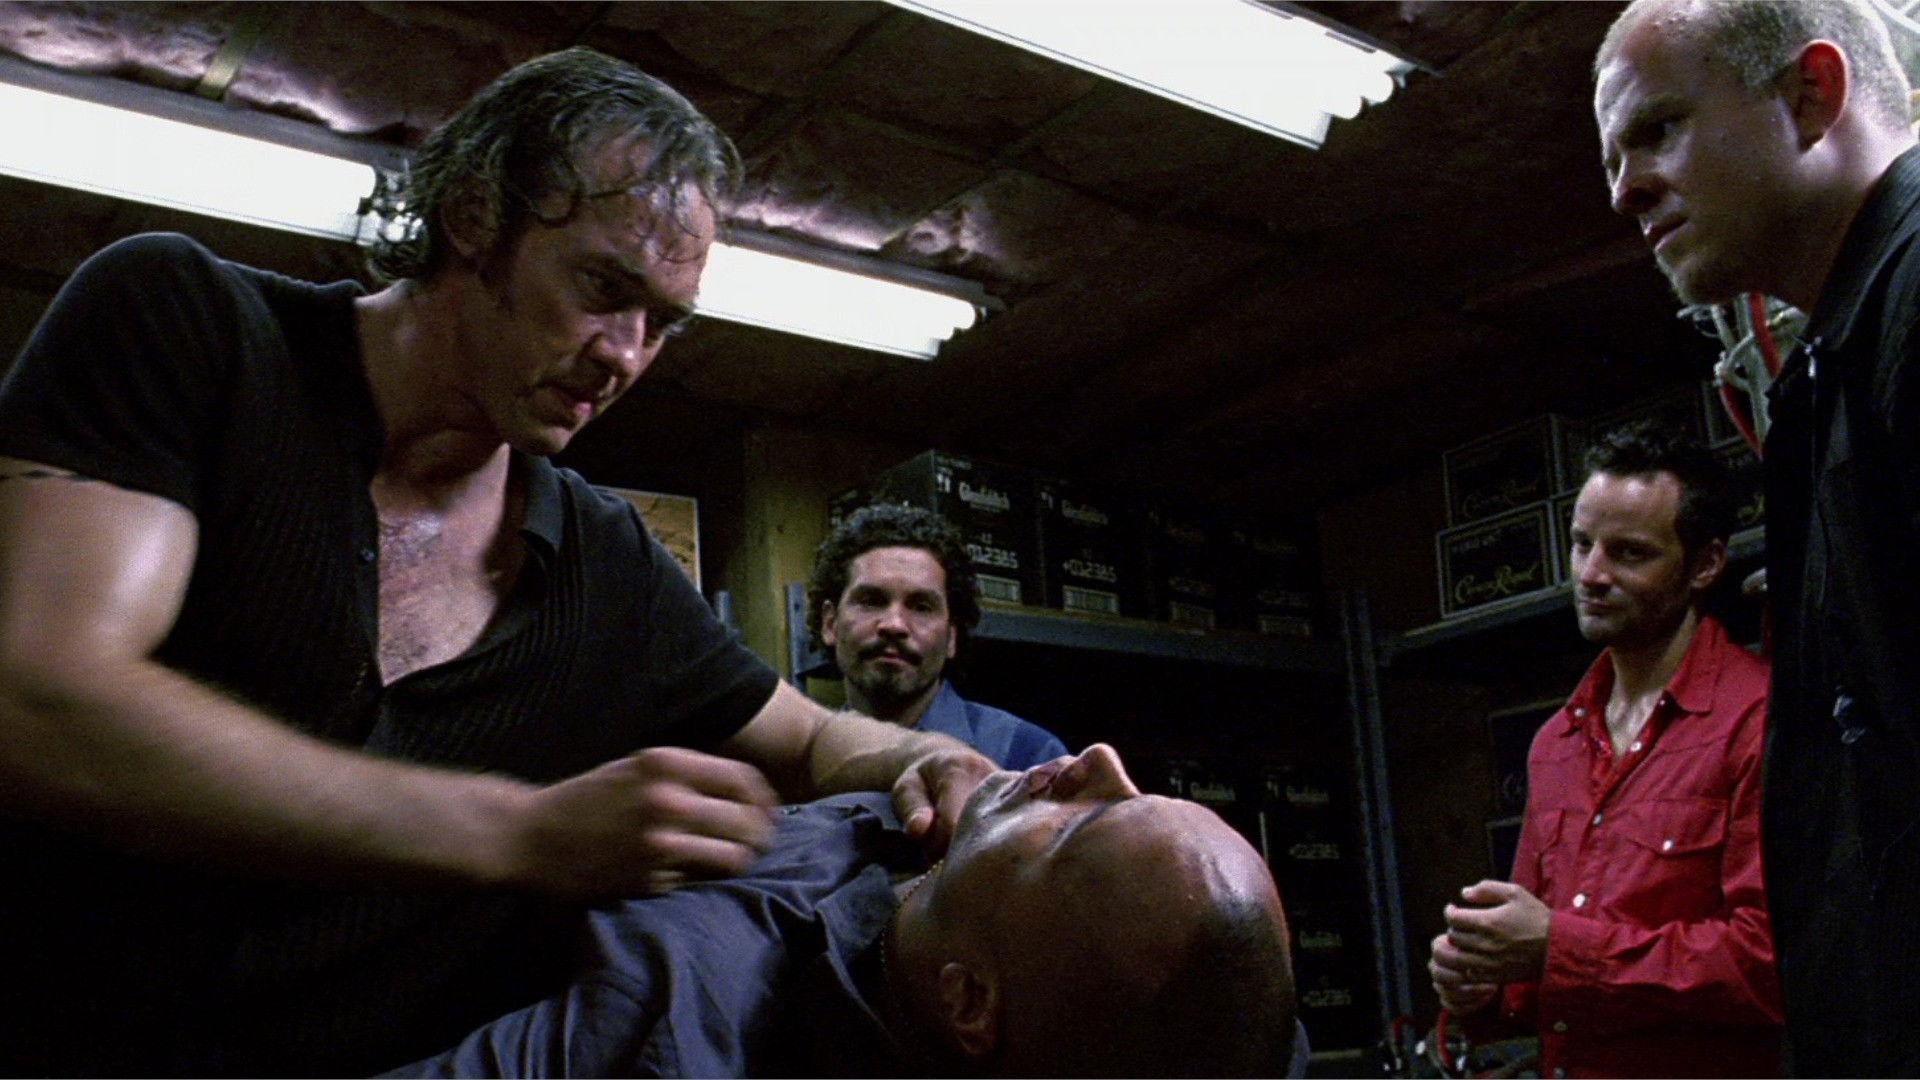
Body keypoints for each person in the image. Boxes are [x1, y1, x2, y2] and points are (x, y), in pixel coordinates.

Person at [0, 48, 995, 1076]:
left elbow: (818, 739)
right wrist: (519, 832)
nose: (625, 354)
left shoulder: (605, 563)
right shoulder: (193, 327)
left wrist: (920, 760)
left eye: (661, 324)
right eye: (602, 286)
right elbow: (38, 701)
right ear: (477, 212)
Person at [1594, 1, 1920, 1071]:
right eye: (1613, 158)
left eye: (1658, 130)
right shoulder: (1836, 367)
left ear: (1811, 95)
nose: (1623, 189)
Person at [387, 743, 1305, 1079]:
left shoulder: (664, 1021)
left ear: (968, 1000)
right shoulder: (1215, 1022)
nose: (1096, 760)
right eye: (1137, 790)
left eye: (1082, 828)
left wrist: (512, 828)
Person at [1427, 425, 1781, 1077]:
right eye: (1581, 544)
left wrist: (1557, 947)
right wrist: (1482, 988)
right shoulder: (1556, 743)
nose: (1591, 575)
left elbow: (1772, 965)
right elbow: (1539, 988)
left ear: (1705, 564)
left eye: (1630, 553)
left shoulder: (1757, 719)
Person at [807, 503, 1068, 769]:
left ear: (952, 636)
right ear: (830, 623)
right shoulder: (801, 766)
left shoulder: (1028, 758)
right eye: (871, 601)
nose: (894, 625)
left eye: (921, 607)